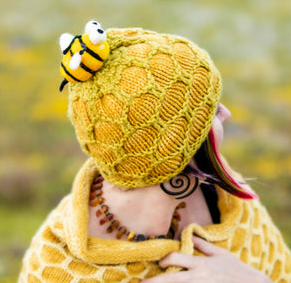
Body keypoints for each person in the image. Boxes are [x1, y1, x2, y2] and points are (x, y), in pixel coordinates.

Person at [18, 20, 291, 283]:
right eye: (212, 109)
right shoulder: (58, 265)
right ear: (173, 144)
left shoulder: (223, 197)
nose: (228, 114)